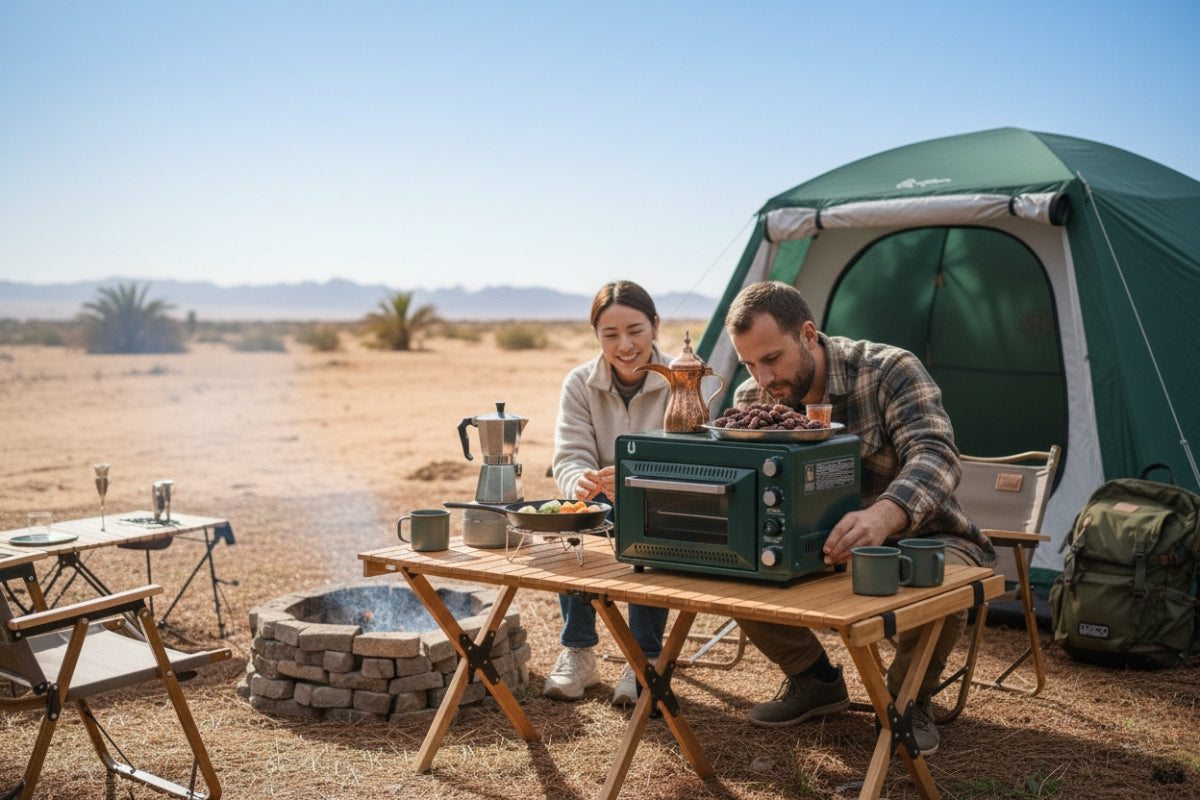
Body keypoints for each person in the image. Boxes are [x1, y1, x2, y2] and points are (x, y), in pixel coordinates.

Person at [724, 280, 994, 755]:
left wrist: (883, 517)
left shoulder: (889, 370)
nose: (761, 379)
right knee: (736, 561)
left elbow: (937, 455)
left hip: (917, 534)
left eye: (771, 359)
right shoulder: (753, 400)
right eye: (748, 363)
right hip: (814, 549)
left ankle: (906, 701)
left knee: (945, 574)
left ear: (808, 334)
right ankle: (814, 680)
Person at [546, 280, 672, 706]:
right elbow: (569, 454)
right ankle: (579, 652)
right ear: (596, 336)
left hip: (666, 504)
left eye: (635, 330)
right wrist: (578, 480)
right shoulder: (579, 383)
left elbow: (697, 459)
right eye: (610, 334)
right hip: (600, 503)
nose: (625, 345)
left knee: (649, 523)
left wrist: (639, 479)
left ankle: (645, 660)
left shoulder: (686, 379)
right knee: (571, 518)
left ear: (655, 326)